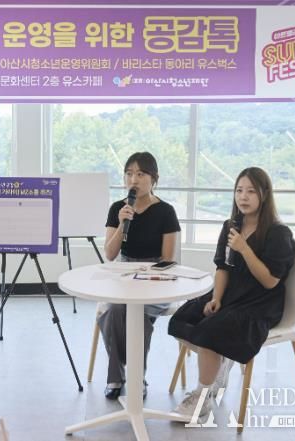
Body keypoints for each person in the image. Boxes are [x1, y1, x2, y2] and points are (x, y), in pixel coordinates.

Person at [168, 167, 295, 418]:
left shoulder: (278, 233)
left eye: (251, 191)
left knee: (210, 331)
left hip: (259, 303)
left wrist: (244, 248)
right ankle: (219, 361)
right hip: (230, 295)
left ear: (265, 194)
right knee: (183, 318)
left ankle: (203, 396)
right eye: (239, 190)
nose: (243, 197)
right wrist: (216, 297)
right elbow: (223, 268)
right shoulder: (231, 226)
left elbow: (270, 281)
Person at [99, 151, 181, 400]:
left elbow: (168, 259)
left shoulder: (166, 211)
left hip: (155, 279)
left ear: (154, 178)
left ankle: (133, 377)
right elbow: (110, 254)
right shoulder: (118, 208)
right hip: (124, 275)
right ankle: (120, 377)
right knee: (114, 310)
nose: (133, 179)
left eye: (141, 174)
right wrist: (122, 223)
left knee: (139, 316)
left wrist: (146, 273)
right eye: (129, 173)